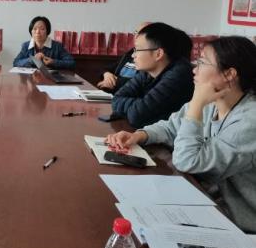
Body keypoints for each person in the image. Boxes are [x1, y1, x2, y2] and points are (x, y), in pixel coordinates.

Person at [106, 36, 256, 233]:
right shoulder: (212, 102)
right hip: (208, 201)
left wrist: (196, 104)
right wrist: (141, 135)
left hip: (241, 225)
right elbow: (171, 127)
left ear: (229, 74)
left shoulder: (250, 120)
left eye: (202, 62)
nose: (194, 69)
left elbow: (187, 161)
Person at [111, 22, 194, 128]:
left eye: (137, 50)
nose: (133, 55)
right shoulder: (148, 72)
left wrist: (136, 106)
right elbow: (116, 99)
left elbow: (137, 116)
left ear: (158, 54)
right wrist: (138, 105)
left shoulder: (179, 74)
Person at [97, 22, 151, 93]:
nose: (136, 36)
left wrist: (116, 81)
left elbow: (143, 82)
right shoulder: (130, 53)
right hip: (115, 93)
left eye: (141, 33)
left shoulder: (149, 56)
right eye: (136, 32)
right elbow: (105, 68)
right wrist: (106, 74)